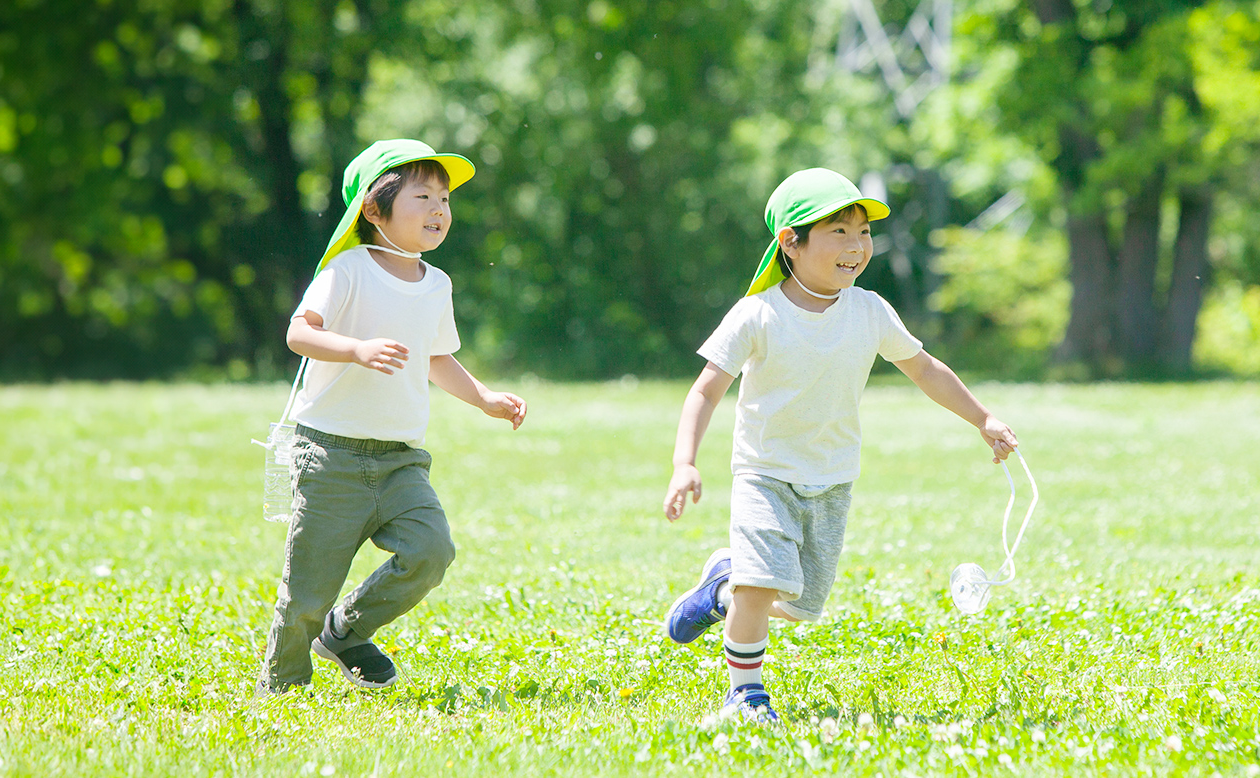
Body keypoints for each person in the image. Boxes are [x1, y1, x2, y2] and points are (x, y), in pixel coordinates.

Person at [661, 168, 1018, 722]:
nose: (856, 247)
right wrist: (685, 463)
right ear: (790, 244)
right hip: (765, 471)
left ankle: (719, 591)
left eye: (864, 234)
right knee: (761, 587)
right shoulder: (758, 313)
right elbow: (705, 391)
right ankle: (746, 695)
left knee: (800, 605)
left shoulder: (870, 310)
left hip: (832, 475)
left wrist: (983, 418)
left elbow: (924, 369)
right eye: (839, 233)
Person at [257, 139, 527, 693]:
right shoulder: (348, 269)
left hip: (401, 460)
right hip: (330, 455)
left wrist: (484, 398)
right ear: (374, 211)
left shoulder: (437, 284)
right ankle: (282, 687)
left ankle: (345, 631)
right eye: (422, 196)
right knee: (308, 590)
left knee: (431, 551)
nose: (438, 209)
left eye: (445, 199)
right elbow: (299, 332)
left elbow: (436, 356)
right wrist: (355, 348)